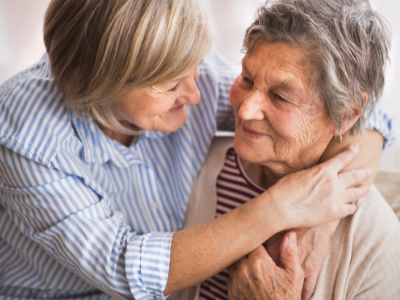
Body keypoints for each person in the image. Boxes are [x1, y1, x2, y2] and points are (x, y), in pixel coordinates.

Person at [0, 0, 393, 299]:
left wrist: (319, 218)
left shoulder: (172, 59)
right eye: (171, 85)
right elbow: (124, 264)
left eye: (194, 67)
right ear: (98, 86)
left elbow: (355, 110)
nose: (197, 93)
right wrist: (280, 207)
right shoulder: (26, 133)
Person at [172, 0, 400, 299]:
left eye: (280, 97)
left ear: (345, 114)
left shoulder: (377, 243)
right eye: (247, 79)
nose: (245, 111)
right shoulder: (193, 165)